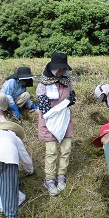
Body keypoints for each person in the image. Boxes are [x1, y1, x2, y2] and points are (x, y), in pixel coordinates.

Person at [36, 52, 76, 196]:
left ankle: (61, 175)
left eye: (63, 69)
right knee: (51, 151)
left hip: (65, 120)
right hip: (49, 122)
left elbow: (73, 97)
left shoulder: (67, 80)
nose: (61, 72)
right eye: (59, 69)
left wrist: (68, 103)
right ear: (53, 69)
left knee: (66, 149)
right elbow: (44, 107)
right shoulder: (43, 85)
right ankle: (50, 179)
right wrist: (57, 111)